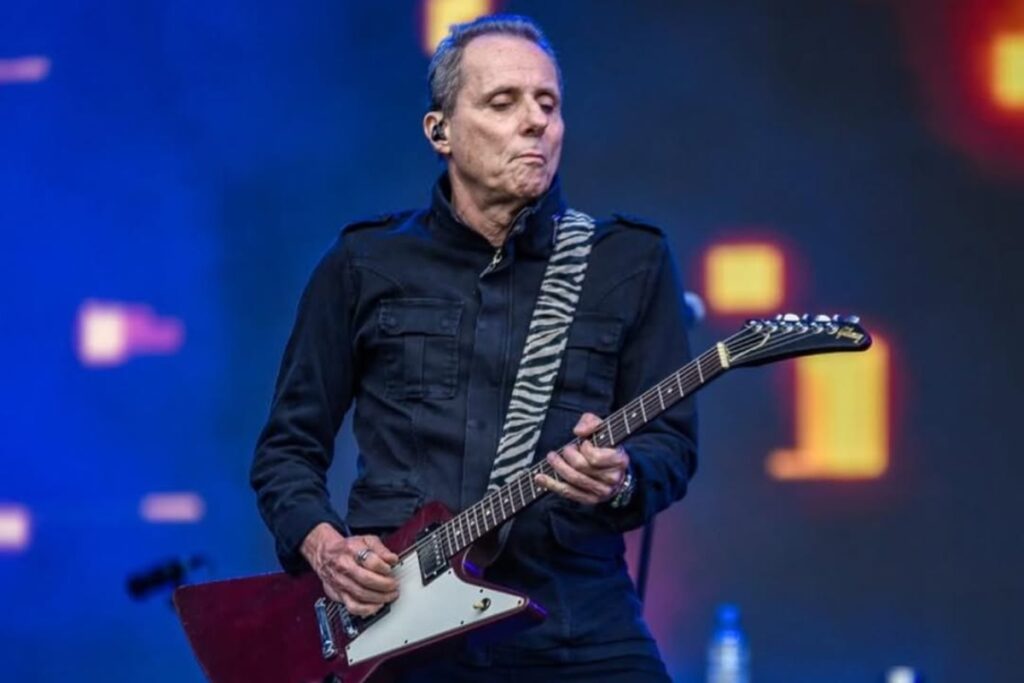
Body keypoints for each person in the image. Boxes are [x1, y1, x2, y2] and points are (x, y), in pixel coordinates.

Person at [250, 14, 697, 682]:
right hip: (400, 625)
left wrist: (622, 476)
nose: (535, 121)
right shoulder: (365, 262)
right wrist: (326, 547)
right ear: (441, 132)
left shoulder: (629, 261)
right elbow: (287, 450)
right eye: (503, 102)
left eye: (548, 103)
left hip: (575, 617)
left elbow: (672, 445)